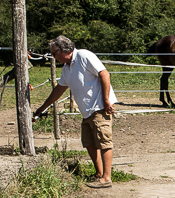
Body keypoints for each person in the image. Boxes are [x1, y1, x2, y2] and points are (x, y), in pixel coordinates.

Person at [33, 36, 117, 188]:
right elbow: (59, 89)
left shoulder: (84, 56)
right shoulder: (67, 67)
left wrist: (106, 101)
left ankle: (107, 177)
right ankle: (99, 174)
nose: (53, 56)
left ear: (64, 50)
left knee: (104, 141)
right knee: (89, 142)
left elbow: (104, 74)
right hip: (86, 110)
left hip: (99, 106)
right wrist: (42, 108)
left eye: (54, 53)